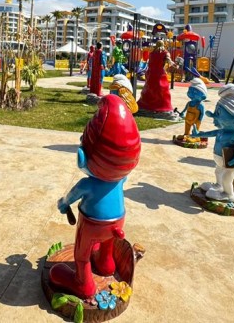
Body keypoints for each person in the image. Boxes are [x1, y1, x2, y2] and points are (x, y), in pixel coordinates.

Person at [50, 95, 141, 297]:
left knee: (81, 255)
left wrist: (63, 203)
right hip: (117, 222)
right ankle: (106, 264)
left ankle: (83, 284)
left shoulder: (87, 184)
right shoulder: (121, 178)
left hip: (92, 225)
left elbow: (69, 198)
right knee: (107, 243)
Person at [196, 84, 234, 202]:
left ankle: (229, 194)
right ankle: (218, 185)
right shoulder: (222, 131)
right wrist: (199, 135)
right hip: (221, 161)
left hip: (230, 163)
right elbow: (211, 133)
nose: (213, 115)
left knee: (227, 178)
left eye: (218, 113)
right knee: (218, 172)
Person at [136, 39, 176, 112]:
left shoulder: (152, 53)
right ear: (163, 45)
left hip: (151, 73)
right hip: (159, 73)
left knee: (150, 89)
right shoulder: (165, 52)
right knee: (161, 91)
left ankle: (147, 105)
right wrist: (172, 63)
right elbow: (168, 59)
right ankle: (162, 106)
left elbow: (149, 63)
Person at [173, 78, 207, 145]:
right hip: (187, 119)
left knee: (195, 130)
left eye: (195, 92)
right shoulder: (189, 103)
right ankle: (186, 134)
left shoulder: (200, 105)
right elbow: (184, 110)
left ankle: (196, 137)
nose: (191, 94)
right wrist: (182, 113)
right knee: (187, 128)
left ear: (203, 96)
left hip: (196, 121)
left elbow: (202, 113)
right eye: (190, 91)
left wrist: (200, 120)